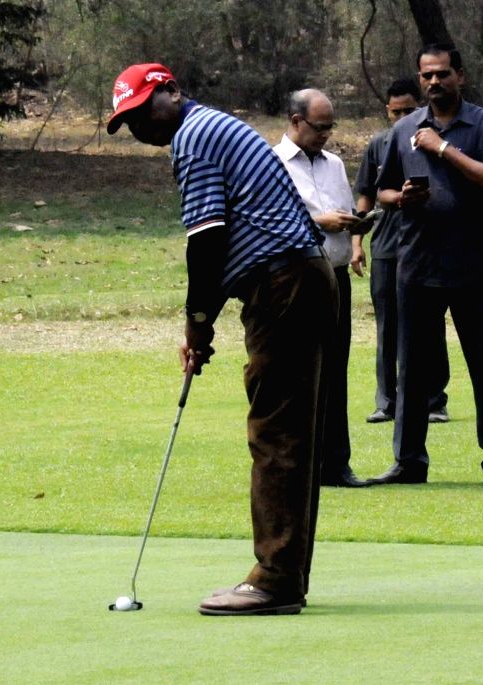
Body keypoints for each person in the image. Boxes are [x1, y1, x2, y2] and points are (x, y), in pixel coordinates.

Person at [107, 63, 338, 614]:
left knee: (276, 435)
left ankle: (275, 580)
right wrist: (204, 321)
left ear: (170, 91)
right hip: (299, 278)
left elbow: (206, 241)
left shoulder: (194, 136)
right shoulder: (213, 127)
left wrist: (197, 322)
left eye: (142, 110)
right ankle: (285, 576)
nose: (138, 125)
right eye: (128, 120)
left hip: (283, 283)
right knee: (292, 437)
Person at [369, 44, 483, 488]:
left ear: (461, 75)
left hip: (476, 268)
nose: (434, 82)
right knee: (412, 370)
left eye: (442, 74)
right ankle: (409, 461)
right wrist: (401, 198)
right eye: (427, 76)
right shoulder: (405, 129)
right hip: (417, 267)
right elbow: (382, 191)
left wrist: (442, 149)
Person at [273, 89, 368, 489]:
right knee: (299, 373)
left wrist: (357, 225)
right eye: (320, 127)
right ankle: (301, 465)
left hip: (336, 276)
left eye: (331, 126)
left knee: (335, 368)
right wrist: (318, 223)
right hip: (296, 279)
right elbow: (271, 222)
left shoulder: (334, 164)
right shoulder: (271, 163)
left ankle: (336, 464)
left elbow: (342, 213)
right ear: (296, 121)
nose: (327, 134)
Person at [353, 78, 451, 426]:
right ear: (387, 111)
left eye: (408, 110)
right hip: (386, 247)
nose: (402, 117)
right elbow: (366, 194)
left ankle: (434, 401)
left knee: (430, 324)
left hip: (427, 247)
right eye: (396, 112)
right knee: (387, 326)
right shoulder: (378, 144)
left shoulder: (432, 140)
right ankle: (387, 401)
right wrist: (356, 243)